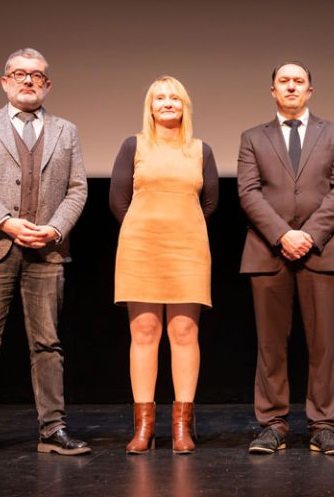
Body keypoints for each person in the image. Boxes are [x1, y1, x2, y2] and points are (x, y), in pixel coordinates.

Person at [0, 48, 90, 461]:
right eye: (19, 74)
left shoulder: (67, 130)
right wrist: (6, 222)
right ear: (5, 81)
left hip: (47, 250)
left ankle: (53, 428)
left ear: (47, 84)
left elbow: (78, 188)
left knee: (47, 344)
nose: (28, 81)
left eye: (37, 76)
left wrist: (54, 228)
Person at [237, 62, 334, 455]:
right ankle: (273, 424)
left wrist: (309, 235)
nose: (291, 87)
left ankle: (324, 426)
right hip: (268, 251)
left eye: (298, 81)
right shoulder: (253, 137)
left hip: (322, 251)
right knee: (271, 345)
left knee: (324, 344)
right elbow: (248, 192)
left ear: (310, 90)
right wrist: (283, 235)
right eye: (283, 82)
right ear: (272, 90)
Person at [109, 75, 218, 455]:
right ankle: (143, 429)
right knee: (144, 332)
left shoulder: (200, 150)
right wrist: (147, 228)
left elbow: (210, 204)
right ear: (150, 106)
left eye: (175, 97)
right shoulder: (133, 145)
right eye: (160, 98)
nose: (168, 102)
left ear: (185, 105)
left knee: (185, 333)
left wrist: (180, 225)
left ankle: (181, 428)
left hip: (188, 248)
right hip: (141, 247)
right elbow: (118, 200)